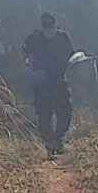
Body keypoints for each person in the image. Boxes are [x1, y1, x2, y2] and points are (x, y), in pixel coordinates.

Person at [23, 12, 74, 158]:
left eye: (50, 28)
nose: (49, 32)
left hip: (59, 80)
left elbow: (71, 56)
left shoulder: (63, 38)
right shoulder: (35, 38)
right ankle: (50, 143)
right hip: (42, 83)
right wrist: (27, 63)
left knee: (65, 112)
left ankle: (57, 139)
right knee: (44, 115)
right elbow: (25, 51)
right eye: (47, 29)